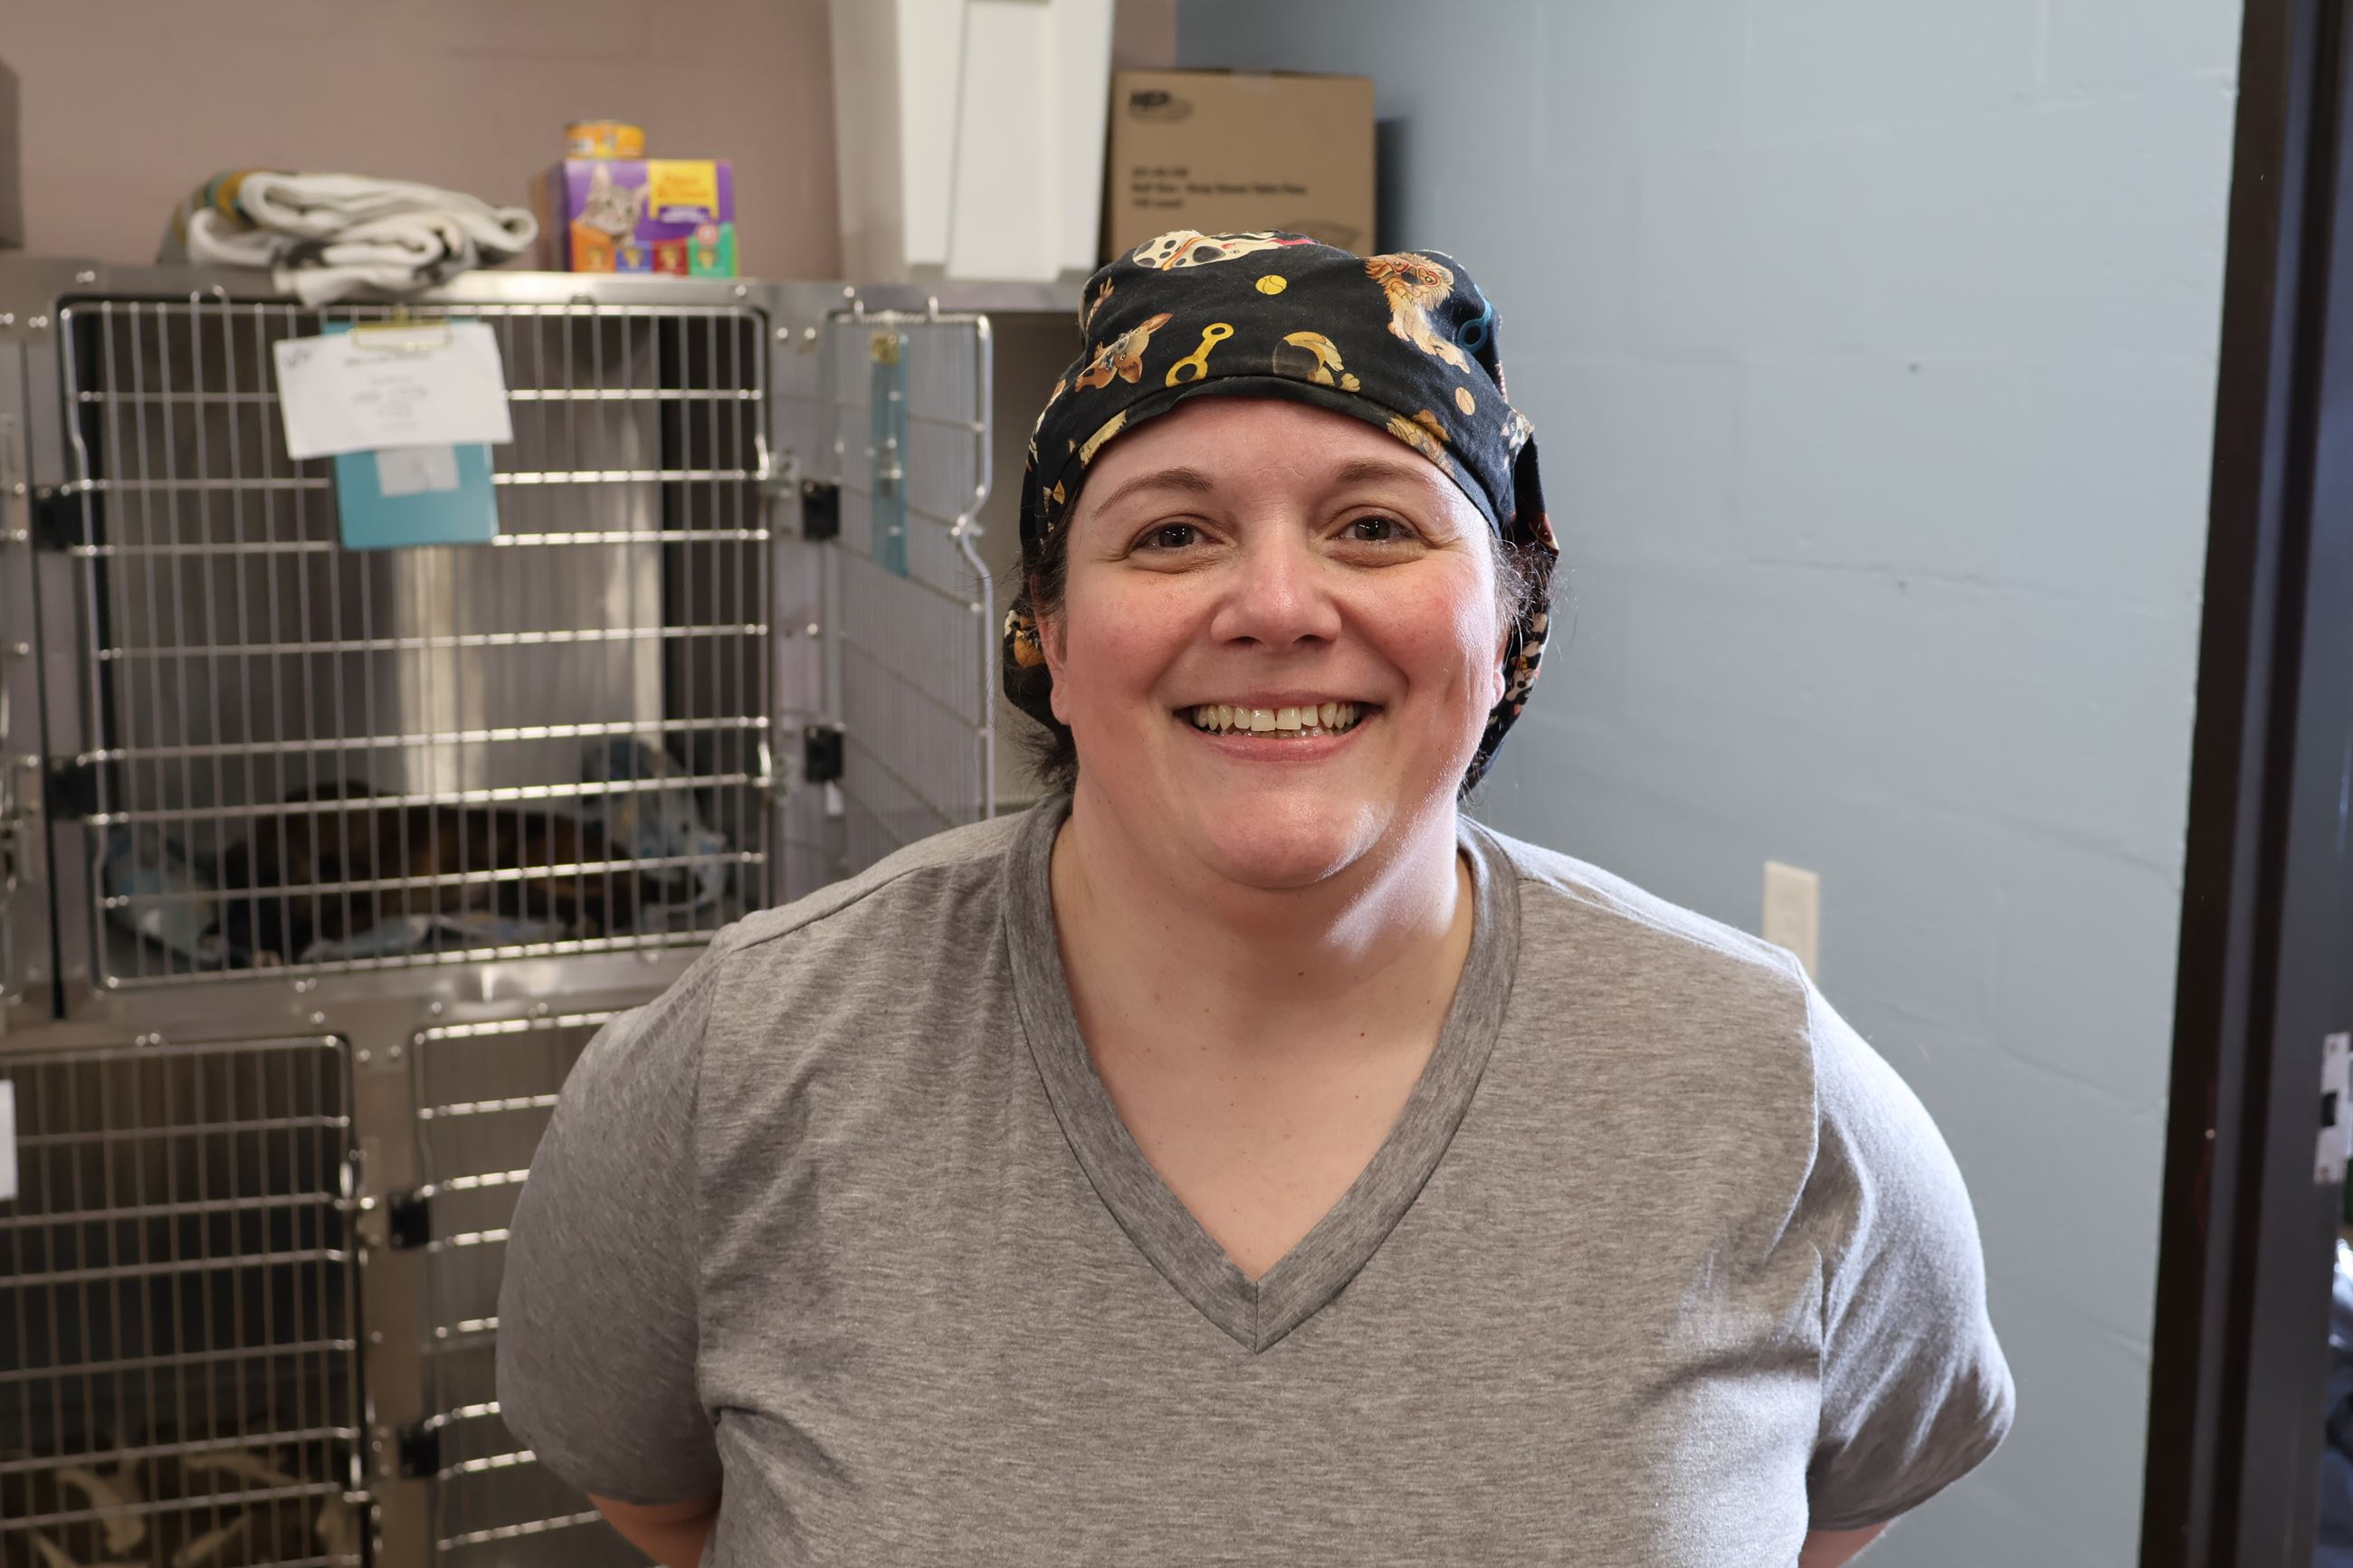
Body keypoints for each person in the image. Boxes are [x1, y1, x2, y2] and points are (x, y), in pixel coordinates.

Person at [497, 230, 2015, 1567]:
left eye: (1376, 525)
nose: (1280, 607)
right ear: (1050, 630)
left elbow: (1840, 1503)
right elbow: (656, 1500)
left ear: (1510, 618)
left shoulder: (1764, 1083)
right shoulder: (748, 1053)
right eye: (1171, 532)